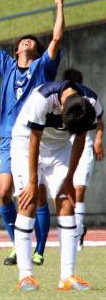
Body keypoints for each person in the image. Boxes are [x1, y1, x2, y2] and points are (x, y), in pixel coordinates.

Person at [0, 0, 65, 265]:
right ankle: (17, 245)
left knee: (35, 194)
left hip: (34, 138)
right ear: (16, 49)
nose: (26, 41)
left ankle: (39, 249)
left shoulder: (42, 68)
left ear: (37, 51)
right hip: (8, 139)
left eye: (31, 41)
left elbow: (56, 37)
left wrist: (59, 4)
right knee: (4, 192)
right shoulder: (6, 66)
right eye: (21, 41)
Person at [11, 80, 101, 291]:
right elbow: (34, 140)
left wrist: (70, 178)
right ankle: (25, 276)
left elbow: (79, 140)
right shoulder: (41, 99)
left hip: (60, 149)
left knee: (66, 202)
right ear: (61, 109)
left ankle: (67, 277)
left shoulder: (92, 103)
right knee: (29, 201)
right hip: (26, 144)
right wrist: (33, 181)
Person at [61, 69, 104, 251]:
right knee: (65, 191)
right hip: (63, 145)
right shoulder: (58, 98)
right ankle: (72, 229)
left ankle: (77, 234)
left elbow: (100, 121)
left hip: (84, 143)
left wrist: (98, 140)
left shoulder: (90, 97)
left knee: (79, 190)